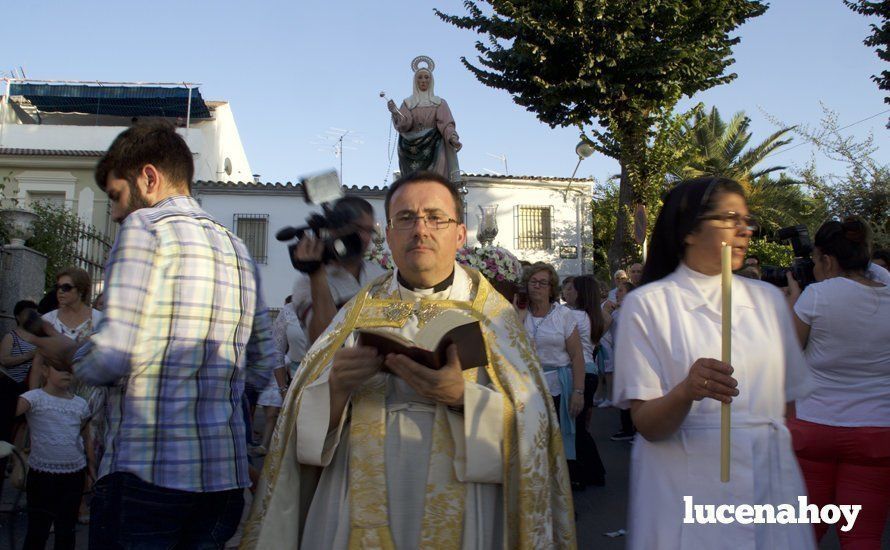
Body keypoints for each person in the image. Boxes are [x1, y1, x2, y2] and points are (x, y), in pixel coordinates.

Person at [243, 171, 574, 549]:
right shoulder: (355, 311)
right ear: (389, 232)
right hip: (357, 491)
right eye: (406, 218)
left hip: (466, 498)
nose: (421, 230)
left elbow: (534, 421)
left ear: (460, 234)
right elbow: (303, 432)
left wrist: (463, 398)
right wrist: (335, 389)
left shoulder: (495, 318)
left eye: (436, 218)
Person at [28, 121, 278, 549]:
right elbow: (261, 365)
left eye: (116, 196)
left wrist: (73, 353)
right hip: (222, 482)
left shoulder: (145, 228)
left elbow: (112, 359)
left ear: (148, 177)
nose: (116, 212)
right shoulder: (238, 247)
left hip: (148, 477)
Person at [612, 177, 815, 549]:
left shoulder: (769, 301)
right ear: (689, 230)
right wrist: (687, 391)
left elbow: (787, 404)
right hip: (685, 484)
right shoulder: (648, 306)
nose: (743, 230)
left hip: (767, 479)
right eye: (729, 218)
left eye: (746, 220)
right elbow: (647, 424)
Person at [786, 218, 890, 548]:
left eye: (816, 261)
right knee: (862, 537)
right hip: (876, 433)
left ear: (827, 260)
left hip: (814, 427)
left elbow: (787, 356)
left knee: (802, 534)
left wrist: (792, 302)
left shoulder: (816, 296)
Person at [516, 263, 585, 485]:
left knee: (556, 445)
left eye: (542, 283)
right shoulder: (518, 313)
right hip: (527, 389)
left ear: (551, 287)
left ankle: (561, 500)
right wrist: (518, 313)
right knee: (532, 444)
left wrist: (578, 391)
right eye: (533, 282)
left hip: (557, 386)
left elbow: (577, 356)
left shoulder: (563, 316)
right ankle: (536, 495)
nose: (537, 287)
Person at [15, 355, 93, 550]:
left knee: (66, 531)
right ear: (45, 371)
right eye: (60, 368)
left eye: (70, 369)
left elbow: (85, 437)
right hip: (42, 476)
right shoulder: (34, 398)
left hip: (74, 476)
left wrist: (92, 468)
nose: (67, 373)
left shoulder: (80, 404)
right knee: (37, 531)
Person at [291, 196, 386, 345]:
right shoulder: (306, 284)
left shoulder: (381, 276)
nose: (364, 237)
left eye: (369, 230)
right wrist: (317, 274)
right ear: (334, 229)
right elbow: (323, 342)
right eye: (358, 228)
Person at [563, 275, 608, 487]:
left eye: (571, 289)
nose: (566, 293)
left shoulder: (574, 316)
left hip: (579, 372)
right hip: (589, 371)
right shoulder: (592, 316)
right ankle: (593, 471)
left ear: (581, 293)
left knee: (576, 427)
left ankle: (589, 472)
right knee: (579, 426)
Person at [387, 55, 462, 182]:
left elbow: (446, 124)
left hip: (435, 145)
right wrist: (395, 112)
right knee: (414, 183)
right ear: (415, 81)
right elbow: (405, 124)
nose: (423, 80)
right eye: (420, 77)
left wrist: (452, 137)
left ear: (431, 80)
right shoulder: (408, 103)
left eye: (426, 77)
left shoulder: (439, 102)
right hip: (411, 148)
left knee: (437, 180)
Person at [0, 300, 39, 493]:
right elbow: (4, 360)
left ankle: (16, 462)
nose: (32, 316)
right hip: (11, 388)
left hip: (29, 388)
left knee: (24, 426)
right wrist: (27, 357)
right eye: (28, 312)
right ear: (18, 316)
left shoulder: (37, 337)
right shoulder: (11, 336)